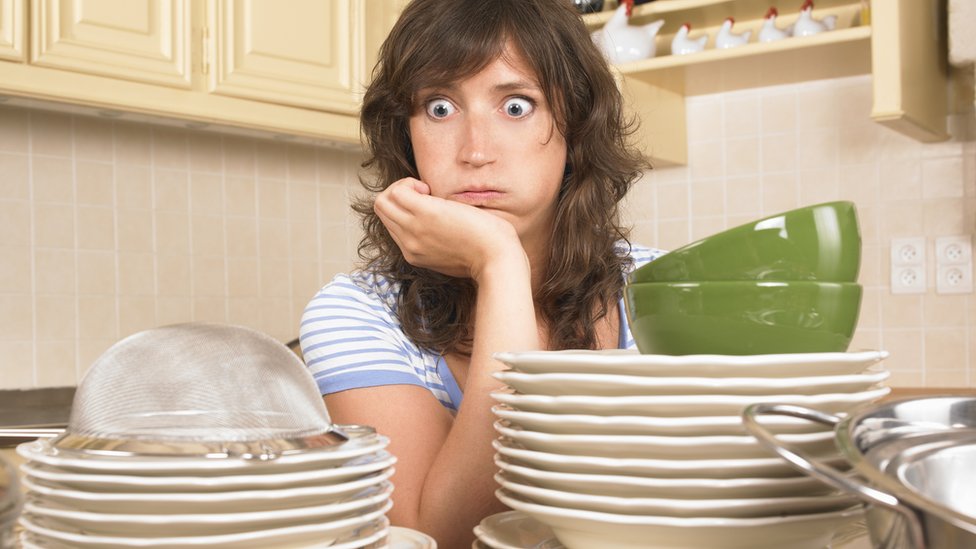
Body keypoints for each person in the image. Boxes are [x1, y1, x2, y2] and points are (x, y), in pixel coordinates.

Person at [299, 0, 664, 545]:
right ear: (405, 134)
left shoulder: (665, 288)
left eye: (516, 106)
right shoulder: (354, 313)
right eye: (440, 108)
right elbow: (437, 535)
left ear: (577, 124)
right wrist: (500, 264)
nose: (475, 151)